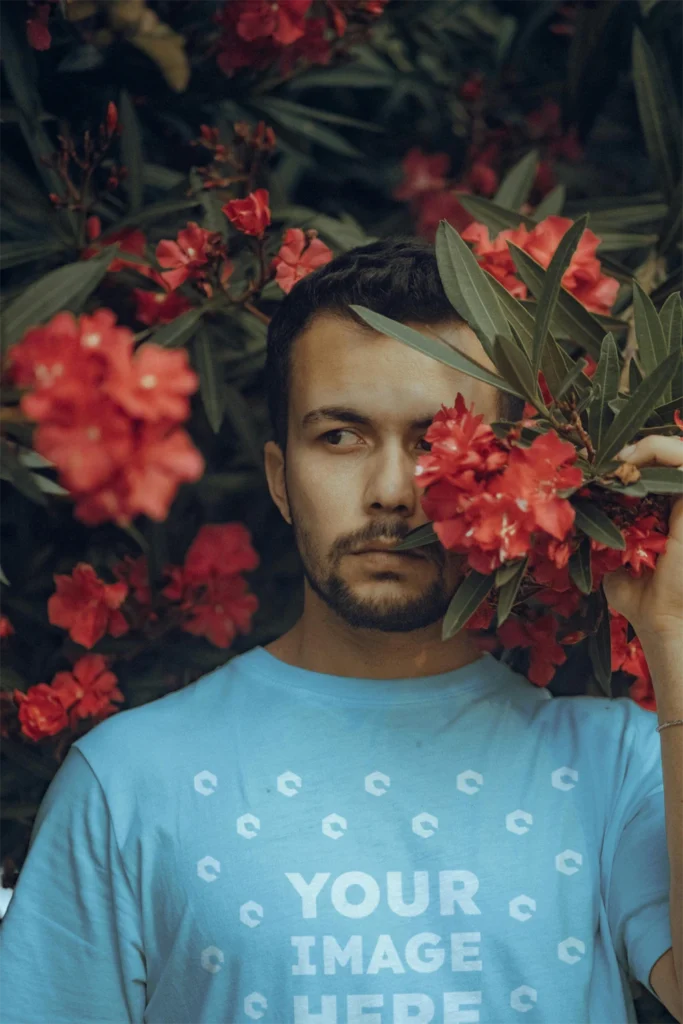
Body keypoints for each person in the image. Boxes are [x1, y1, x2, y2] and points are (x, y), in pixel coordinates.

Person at [0, 237, 674, 1023]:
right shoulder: (128, 783)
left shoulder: (618, 767)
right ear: (280, 480)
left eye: (434, 442)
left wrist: (674, 631)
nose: (391, 492)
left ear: (511, 474)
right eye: (339, 438)